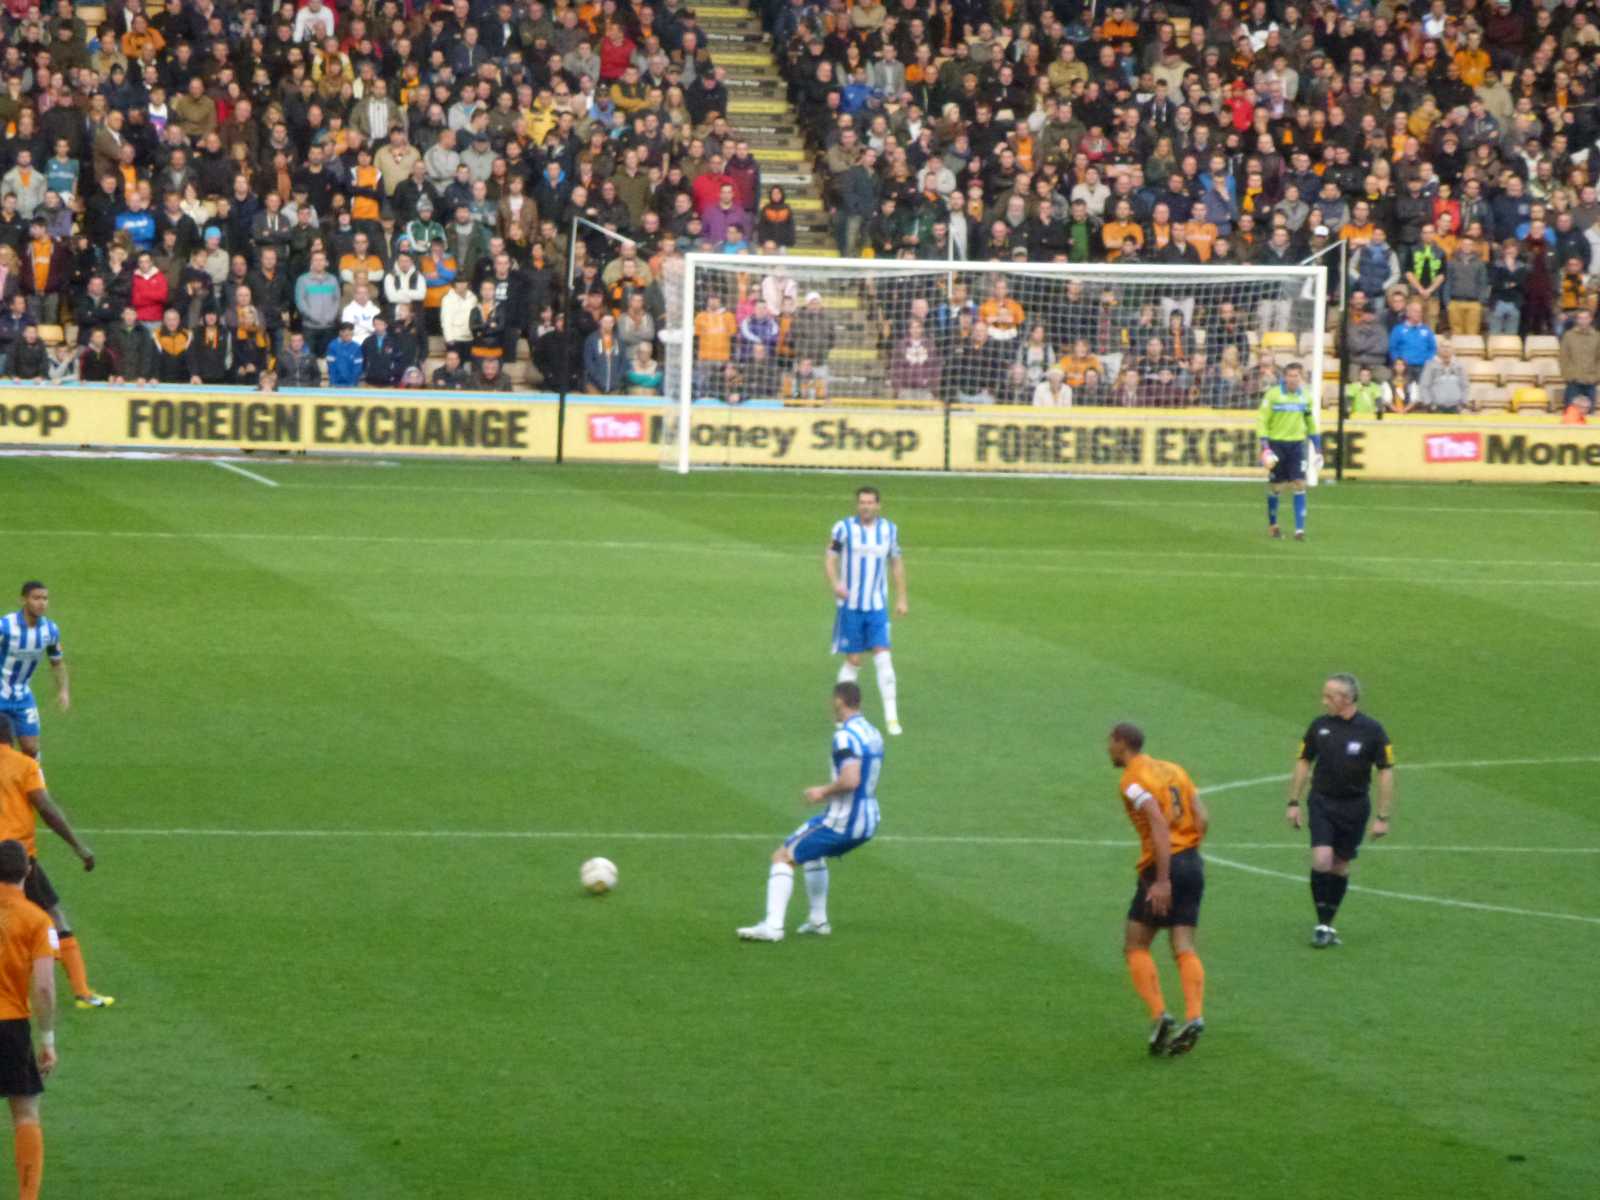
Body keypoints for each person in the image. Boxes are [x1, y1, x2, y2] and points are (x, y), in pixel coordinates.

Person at [736, 683, 882, 942]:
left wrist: (822, 792)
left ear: (839, 701)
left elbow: (850, 779)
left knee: (783, 857)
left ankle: (773, 927)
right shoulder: (873, 733)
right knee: (813, 855)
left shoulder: (845, 737)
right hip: (868, 819)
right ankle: (818, 921)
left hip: (842, 820)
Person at [1107, 723, 1208, 1057]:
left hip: (1162, 867)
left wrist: (1163, 880)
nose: (1108, 748)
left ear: (1122, 744)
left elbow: (1157, 822)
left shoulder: (1132, 781)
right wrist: (1188, 854)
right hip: (1192, 862)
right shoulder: (1174, 769)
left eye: (1110, 742)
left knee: (1135, 943)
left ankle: (1160, 1014)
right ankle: (1194, 1015)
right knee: (1183, 944)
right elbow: (1202, 816)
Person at [0, 714, 108, 1011]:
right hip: (16, 859)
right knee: (53, 915)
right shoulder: (25, 766)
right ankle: (82, 992)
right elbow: (47, 809)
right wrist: (79, 847)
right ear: (10, 736)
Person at [1284, 675, 1396, 948]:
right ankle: (1322, 923)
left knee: (1340, 865)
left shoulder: (1372, 730)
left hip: (1354, 807)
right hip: (1321, 802)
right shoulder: (1319, 726)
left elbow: (1385, 772)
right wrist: (1293, 801)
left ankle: (1327, 923)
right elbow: (1303, 761)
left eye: (1329, 696)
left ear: (1347, 699)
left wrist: (1382, 817)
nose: (1324, 701)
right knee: (1322, 859)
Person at [0, 837, 56, 1200]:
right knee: (25, 1112)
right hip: (11, 1026)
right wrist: (47, 1038)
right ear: (29, 871)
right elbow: (46, 987)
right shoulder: (37, 919)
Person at [826, 487, 907, 736]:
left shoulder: (889, 530)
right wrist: (836, 583)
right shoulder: (843, 528)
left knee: (884, 656)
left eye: (870, 502)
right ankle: (842, 715)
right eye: (862, 502)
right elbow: (830, 558)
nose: (866, 506)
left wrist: (902, 597)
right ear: (857, 504)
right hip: (850, 606)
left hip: (877, 606)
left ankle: (892, 718)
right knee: (854, 661)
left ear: (878, 505)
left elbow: (896, 562)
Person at [1256, 362, 1322, 541]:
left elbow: (1310, 422)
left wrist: (1317, 446)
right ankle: (1273, 524)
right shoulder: (1273, 395)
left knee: (1299, 483)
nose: (1293, 379)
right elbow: (1262, 420)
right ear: (1285, 377)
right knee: (1277, 487)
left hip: (1297, 446)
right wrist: (1265, 445)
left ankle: (1299, 530)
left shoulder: (1306, 398)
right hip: (1277, 444)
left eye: (1297, 376)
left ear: (1301, 378)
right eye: (1290, 375)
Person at [0, 585, 66, 761]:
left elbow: (57, 661)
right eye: (36, 598)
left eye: (45, 598)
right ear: (23, 600)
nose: (41, 603)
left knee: (31, 748)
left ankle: (36, 784)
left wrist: (63, 691)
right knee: (3, 749)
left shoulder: (50, 630)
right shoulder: (5, 626)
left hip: (22, 696)